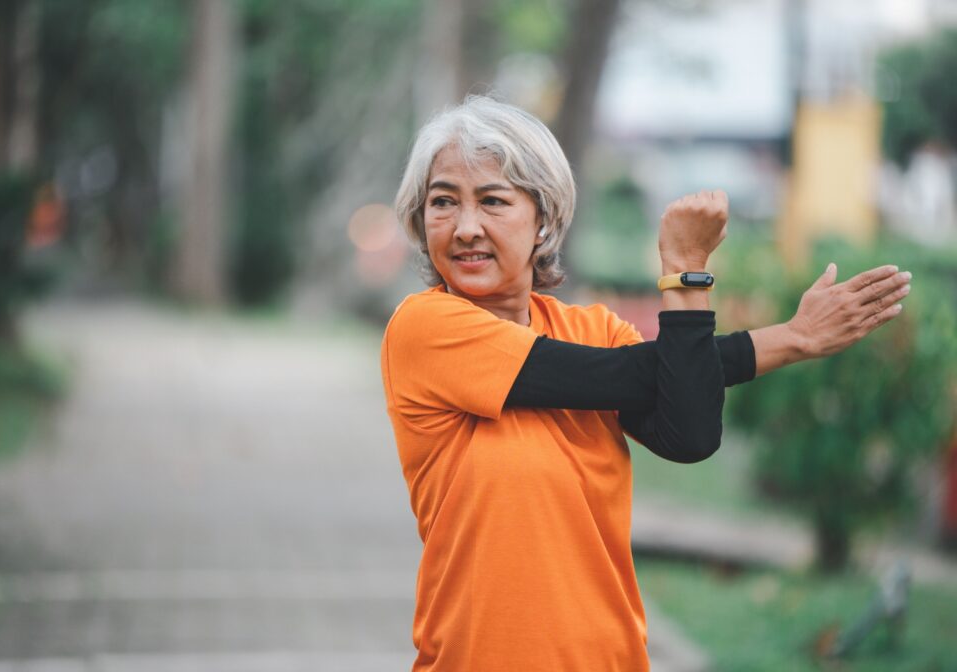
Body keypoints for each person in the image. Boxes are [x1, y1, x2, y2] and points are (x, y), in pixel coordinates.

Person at [379, 96, 910, 672]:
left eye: (493, 202)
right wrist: (764, 322)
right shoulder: (424, 328)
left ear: (544, 220)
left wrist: (742, 307)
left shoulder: (593, 329)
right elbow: (617, 376)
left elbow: (688, 432)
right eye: (443, 203)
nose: (465, 228)